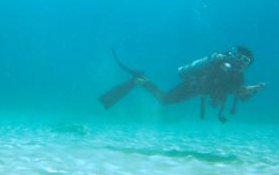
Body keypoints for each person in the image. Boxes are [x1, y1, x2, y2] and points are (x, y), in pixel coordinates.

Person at [99, 46, 267, 123]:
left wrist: (254, 89)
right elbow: (223, 85)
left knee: (165, 101)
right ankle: (141, 81)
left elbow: (240, 93)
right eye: (242, 60)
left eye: (246, 63)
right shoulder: (221, 64)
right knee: (165, 101)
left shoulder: (238, 77)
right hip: (193, 86)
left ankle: (142, 81)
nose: (243, 64)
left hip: (199, 90)